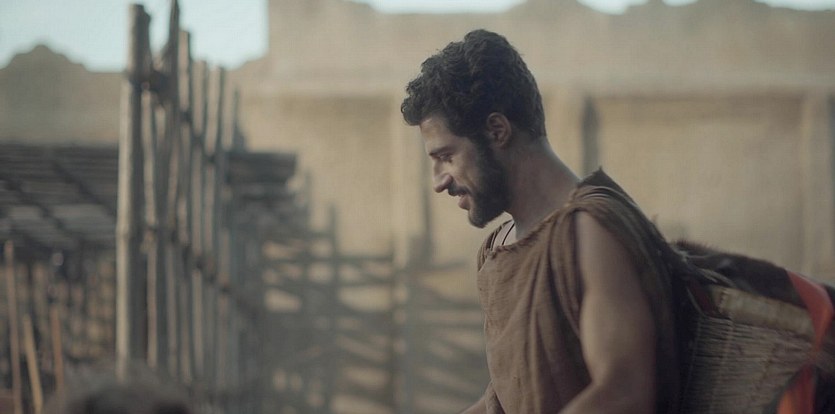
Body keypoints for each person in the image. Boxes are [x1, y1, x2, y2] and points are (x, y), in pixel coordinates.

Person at [401, 29, 682, 413]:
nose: (439, 182)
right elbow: (507, 400)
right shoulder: (498, 248)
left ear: (497, 130)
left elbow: (623, 394)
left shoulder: (591, 230)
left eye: (446, 157)